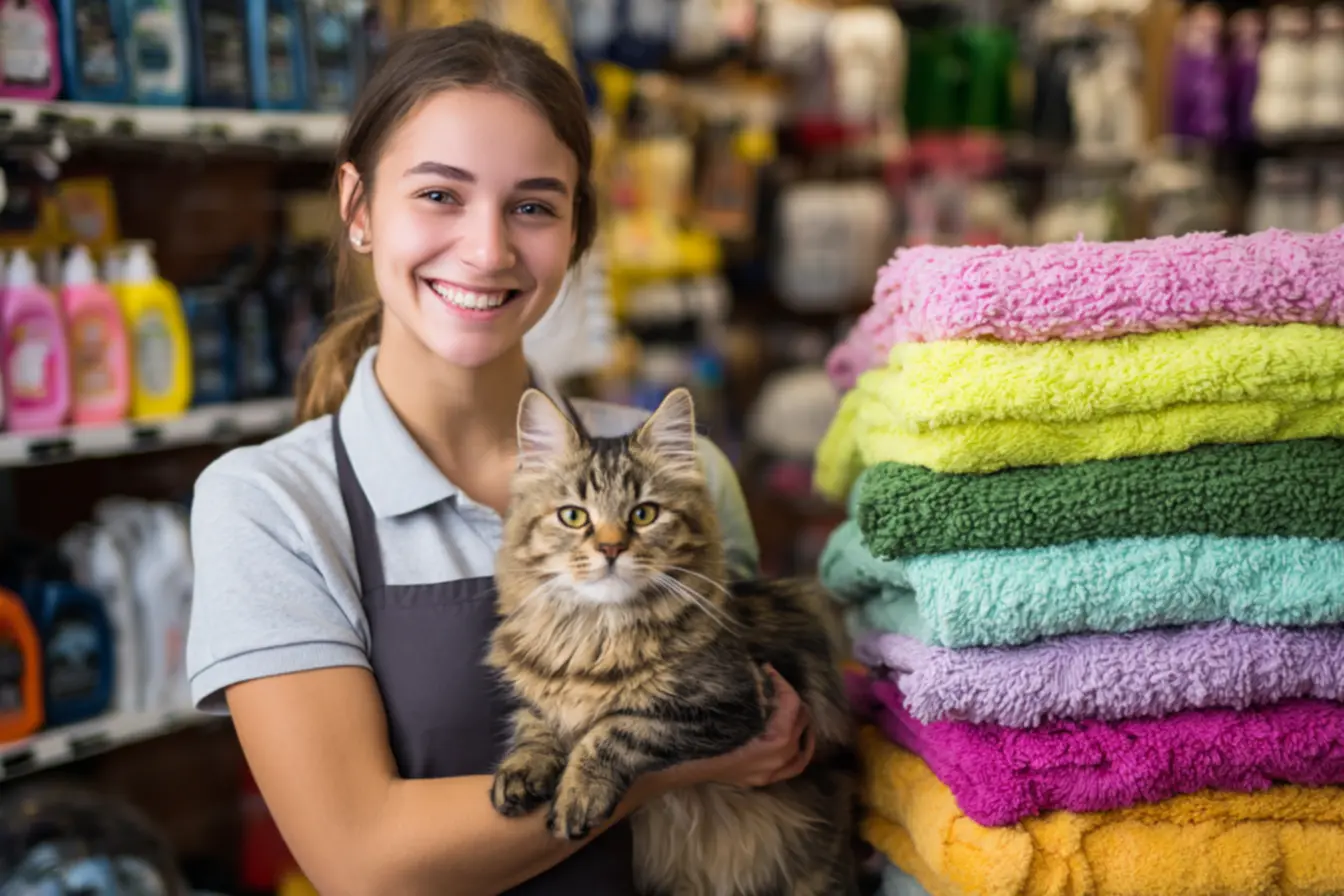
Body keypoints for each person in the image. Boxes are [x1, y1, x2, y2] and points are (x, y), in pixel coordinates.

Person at [184, 21, 814, 896]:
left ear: (575, 233)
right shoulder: (271, 504)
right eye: (440, 195)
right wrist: (660, 766)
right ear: (359, 209)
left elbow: (764, 767)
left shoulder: (685, 472)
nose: (488, 250)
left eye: (532, 205)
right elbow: (365, 863)